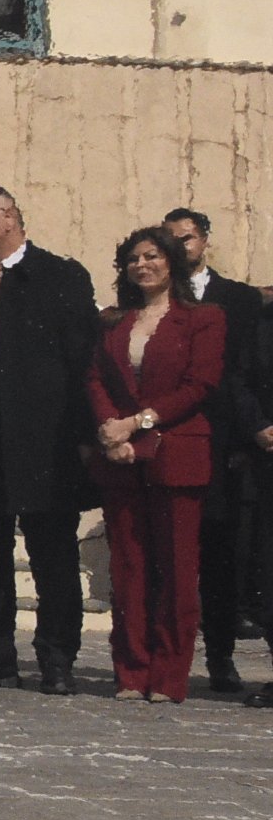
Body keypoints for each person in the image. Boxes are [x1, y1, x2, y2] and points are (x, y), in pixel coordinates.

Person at [0, 187, 100, 695]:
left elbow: (82, 361)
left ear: (8, 217)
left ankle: (57, 658)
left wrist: (83, 435)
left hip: (44, 444)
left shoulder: (59, 276)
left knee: (52, 555)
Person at [87, 227, 227, 704]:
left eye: (152, 256)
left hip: (176, 452)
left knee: (177, 569)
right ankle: (131, 670)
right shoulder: (115, 322)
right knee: (128, 566)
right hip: (121, 457)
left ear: (171, 262)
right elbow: (95, 378)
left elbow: (200, 384)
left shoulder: (203, 318)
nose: (142, 265)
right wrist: (111, 428)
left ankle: (168, 675)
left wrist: (136, 424)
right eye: (133, 258)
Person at [162, 206, 261, 693]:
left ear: (204, 240)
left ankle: (220, 657)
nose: (180, 247)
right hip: (169, 436)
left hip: (222, 443)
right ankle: (167, 656)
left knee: (221, 555)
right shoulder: (156, 296)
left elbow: (246, 371)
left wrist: (243, 440)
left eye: (187, 238)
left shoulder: (239, 299)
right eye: (171, 239)